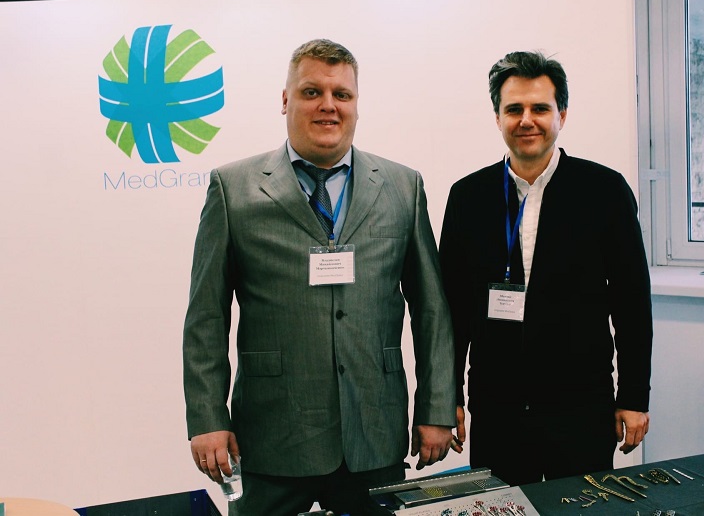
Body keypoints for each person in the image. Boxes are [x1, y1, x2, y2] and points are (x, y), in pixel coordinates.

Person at [183, 39, 456, 516]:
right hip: (271, 436)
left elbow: (431, 309)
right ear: (285, 99)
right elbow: (206, 316)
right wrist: (207, 418)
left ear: (356, 103)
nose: (328, 105)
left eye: (341, 94)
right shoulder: (233, 188)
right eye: (312, 92)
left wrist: (436, 407)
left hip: (373, 432)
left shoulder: (403, 186)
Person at [438, 50, 653, 486]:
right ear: (497, 117)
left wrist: (634, 396)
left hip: (580, 406)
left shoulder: (604, 191)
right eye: (513, 109)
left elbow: (631, 303)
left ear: (562, 115)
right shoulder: (468, 197)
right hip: (497, 408)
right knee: (503, 510)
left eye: (540, 108)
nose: (526, 120)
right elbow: (452, 312)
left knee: (582, 509)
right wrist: (446, 397)